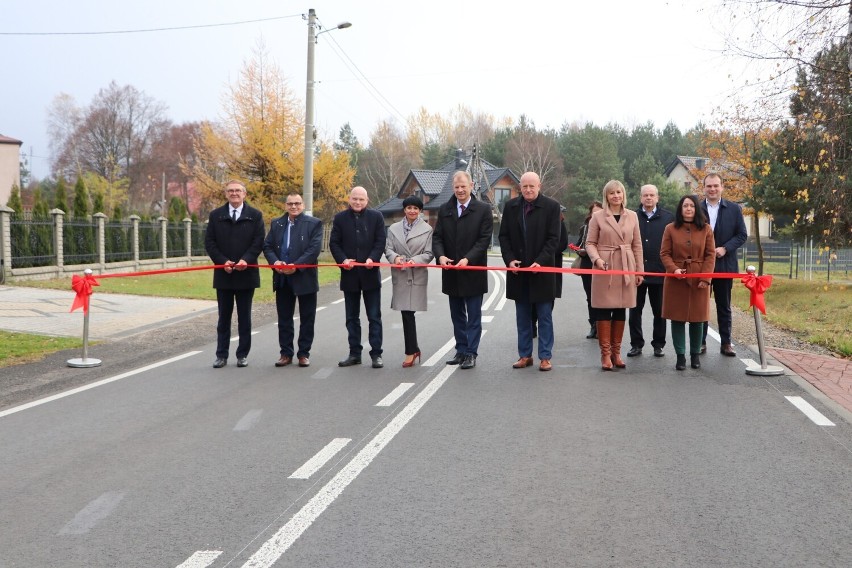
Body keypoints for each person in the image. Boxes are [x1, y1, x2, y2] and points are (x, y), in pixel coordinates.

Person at [499, 171, 562, 372]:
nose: (527, 190)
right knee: (522, 316)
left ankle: (545, 356)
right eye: (524, 186)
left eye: (531, 186)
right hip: (519, 271)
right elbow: (504, 237)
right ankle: (525, 355)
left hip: (542, 271)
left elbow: (554, 239)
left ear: (539, 186)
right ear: (520, 188)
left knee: (544, 316)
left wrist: (540, 261)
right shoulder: (510, 207)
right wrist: (509, 260)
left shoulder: (552, 207)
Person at [432, 170, 493, 370]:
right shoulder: (445, 209)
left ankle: (471, 353)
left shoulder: (483, 209)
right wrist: (440, 256)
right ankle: (461, 349)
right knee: (457, 315)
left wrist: (468, 259)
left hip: (473, 271)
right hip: (451, 272)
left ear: (471, 185)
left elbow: (484, 240)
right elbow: (437, 237)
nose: (460, 190)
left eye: (463, 186)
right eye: (456, 187)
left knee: (473, 316)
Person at [204, 180, 265, 369]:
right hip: (224, 274)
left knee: (244, 317)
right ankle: (221, 355)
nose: (234, 193)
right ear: (226, 194)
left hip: (246, 274)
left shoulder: (255, 215)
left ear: (244, 194)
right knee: (224, 317)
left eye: (238, 190)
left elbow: (258, 241)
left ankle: (242, 355)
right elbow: (210, 242)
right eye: (230, 190)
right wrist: (223, 262)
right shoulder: (216, 216)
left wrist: (246, 259)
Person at [585, 180, 644, 371]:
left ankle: (616, 353)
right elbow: (590, 243)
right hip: (605, 266)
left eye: (619, 192)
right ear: (606, 196)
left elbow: (637, 245)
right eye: (612, 193)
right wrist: (597, 260)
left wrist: (639, 271)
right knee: (603, 309)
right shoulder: (597, 217)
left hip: (626, 265)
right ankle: (605, 354)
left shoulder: (633, 216)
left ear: (623, 194)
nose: (616, 196)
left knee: (620, 309)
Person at [263, 192, 323, 368]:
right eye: (290, 204)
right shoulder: (277, 224)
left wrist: (295, 265)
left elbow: (314, 250)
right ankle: (285, 353)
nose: (294, 207)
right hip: (282, 278)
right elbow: (267, 246)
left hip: (305, 278)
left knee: (307, 318)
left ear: (303, 205)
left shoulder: (314, 224)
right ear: (285, 205)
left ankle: (303, 353)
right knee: (284, 319)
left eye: (297, 203)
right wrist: (275, 262)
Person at [329, 186, 387, 368]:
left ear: (367, 200)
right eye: (355, 199)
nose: (358, 202)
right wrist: (343, 260)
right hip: (349, 275)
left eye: (361, 199)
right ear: (349, 199)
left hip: (370, 275)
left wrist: (373, 258)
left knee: (374, 317)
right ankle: (355, 353)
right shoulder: (340, 218)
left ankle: (376, 354)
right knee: (351, 318)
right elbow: (334, 243)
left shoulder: (376, 217)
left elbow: (380, 241)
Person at [661, 195, 716, 370]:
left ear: (696, 209)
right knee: (677, 318)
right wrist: (673, 269)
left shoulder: (706, 229)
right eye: (685, 205)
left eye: (692, 206)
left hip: (699, 278)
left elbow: (710, 255)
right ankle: (680, 356)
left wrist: (705, 278)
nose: (689, 209)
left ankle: (695, 355)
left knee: (697, 319)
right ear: (680, 208)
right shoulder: (670, 228)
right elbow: (665, 253)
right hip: (676, 279)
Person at [700, 173, 748, 356]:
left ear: (722, 187)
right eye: (709, 186)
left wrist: (725, 248)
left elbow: (741, 235)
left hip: (724, 264)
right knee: (701, 304)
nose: (712, 189)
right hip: (702, 265)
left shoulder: (734, 209)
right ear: (703, 188)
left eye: (715, 186)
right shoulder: (696, 208)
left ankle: (726, 343)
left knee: (724, 305)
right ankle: (700, 341)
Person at [384, 195, 434, 368]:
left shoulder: (427, 229)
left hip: (416, 274)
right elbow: (388, 248)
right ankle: (413, 349)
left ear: (420, 211)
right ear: (404, 210)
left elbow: (429, 253)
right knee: (406, 312)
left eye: (416, 208)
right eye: (409, 208)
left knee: (408, 312)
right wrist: (395, 257)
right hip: (400, 273)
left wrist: (416, 260)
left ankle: (411, 351)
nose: (412, 211)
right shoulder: (393, 229)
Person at [627, 184, 675, 358]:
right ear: (640, 197)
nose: (648, 198)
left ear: (657, 198)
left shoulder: (669, 218)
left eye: (652, 195)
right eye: (645, 195)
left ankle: (658, 345)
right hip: (637, 272)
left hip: (659, 272)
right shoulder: (631, 216)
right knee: (635, 311)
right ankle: (636, 344)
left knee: (659, 312)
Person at [573, 201, 604, 339]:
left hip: (604, 265)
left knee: (603, 297)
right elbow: (579, 244)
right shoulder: (584, 228)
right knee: (590, 297)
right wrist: (580, 250)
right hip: (587, 265)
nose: (596, 214)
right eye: (594, 212)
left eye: (599, 211)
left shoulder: (607, 226)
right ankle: (593, 325)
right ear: (590, 214)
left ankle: (603, 325)